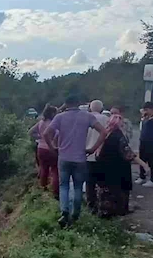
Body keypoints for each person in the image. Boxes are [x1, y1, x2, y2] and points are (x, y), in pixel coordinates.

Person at [43, 95, 107, 228]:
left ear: (66, 104)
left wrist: (53, 148)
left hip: (64, 157)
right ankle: (76, 213)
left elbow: (45, 134)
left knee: (64, 186)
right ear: (78, 103)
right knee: (78, 186)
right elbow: (103, 132)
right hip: (80, 158)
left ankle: (64, 211)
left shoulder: (59, 117)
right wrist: (93, 148)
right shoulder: (87, 116)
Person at [94, 114, 151, 218]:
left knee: (106, 193)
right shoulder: (119, 136)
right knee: (118, 193)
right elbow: (129, 154)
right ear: (119, 124)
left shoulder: (106, 134)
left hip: (104, 169)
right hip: (117, 170)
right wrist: (144, 165)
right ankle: (118, 213)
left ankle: (105, 213)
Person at [29, 105, 60, 198]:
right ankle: (56, 192)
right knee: (55, 170)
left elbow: (30, 132)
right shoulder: (54, 123)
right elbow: (57, 135)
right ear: (52, 113)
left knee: (43, 168)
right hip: (52, 149)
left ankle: (43, 187)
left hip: (41, 148)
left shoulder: (41, 122)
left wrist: (39, 137)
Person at [84, 100, 109, 214]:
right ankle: (103, 204)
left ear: (90, 108)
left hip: (87, 154)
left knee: (90, 183)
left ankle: (91, 206)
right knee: (103, 181)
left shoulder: (84, 118)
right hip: (102, 155)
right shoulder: (106, 119)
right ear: (102, 109)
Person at [136, 102, 153, 188]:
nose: (145, 111)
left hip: (151, 141)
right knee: (141, 159)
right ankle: (142, 176)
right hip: (143, 140)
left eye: (147, 109)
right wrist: (144, 112)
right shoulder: (145, 117)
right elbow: (141, 112)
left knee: (151, 161)